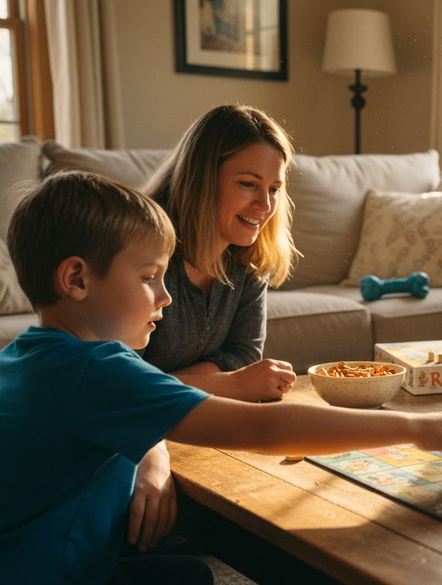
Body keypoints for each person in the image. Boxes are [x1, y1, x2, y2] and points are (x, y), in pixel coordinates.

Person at [0, 172, 442, 584]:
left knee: (189, 574)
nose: (166, 295)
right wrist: (417, 428)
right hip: (39, 574)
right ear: (77, 279)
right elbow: (261, 430)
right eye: (149, 277)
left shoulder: (23, 356)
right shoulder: (95, 370)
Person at [134, 105, 300, 552]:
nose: (264, 206)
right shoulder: (143, 253)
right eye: (248, 184)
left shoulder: (247, 258)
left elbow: (246, 352)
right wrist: (228, 384)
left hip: (177, 416)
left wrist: (196, 381)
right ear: (202, 178)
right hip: (138, 425)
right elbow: (123, 387)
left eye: (274, 189)